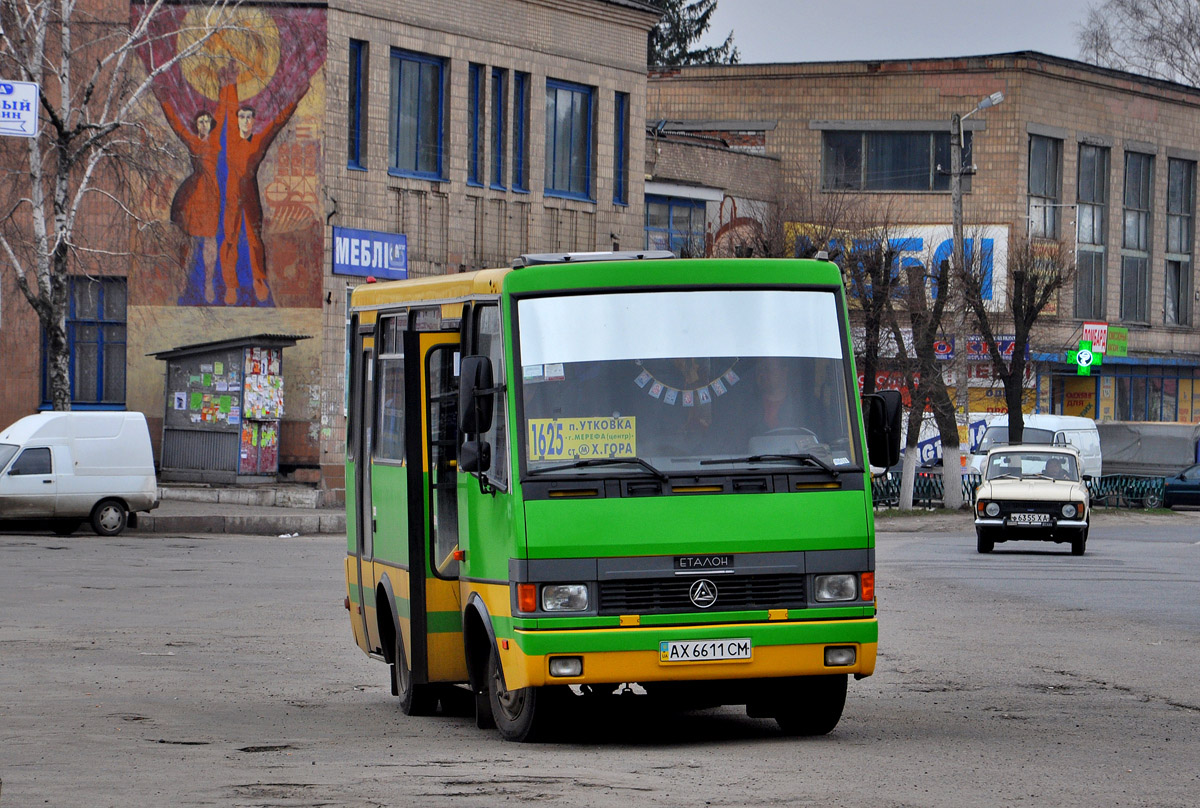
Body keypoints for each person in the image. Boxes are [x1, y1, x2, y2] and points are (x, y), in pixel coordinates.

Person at [217, 61, 305, 305]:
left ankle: (259, 279)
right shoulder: (232, 139)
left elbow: (278, 123)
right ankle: (230, 286)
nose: (245, 121)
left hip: (250, 192)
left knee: (255, 238)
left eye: (248, 118)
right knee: (230, 237)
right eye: (241, 117)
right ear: (237, 121)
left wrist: (295, 100)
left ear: (253, 122)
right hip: (233, 192)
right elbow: (228, 108)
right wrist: (230, 83)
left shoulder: (257, 141)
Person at [158, 93, 221, 304]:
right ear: (196, 125)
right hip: (194, 192)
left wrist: (226, 85)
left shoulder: (217, 140)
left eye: (206, 121)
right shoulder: (193, 141)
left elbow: (224, 111)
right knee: (188, 237)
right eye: (200, 121)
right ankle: (182, 277)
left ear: (211, 124)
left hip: (212, 195)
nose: (204, 124)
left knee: (210, 238)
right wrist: (164, 100)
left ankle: (208, 282)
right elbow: (176, 125)